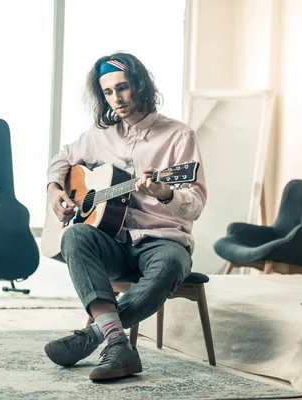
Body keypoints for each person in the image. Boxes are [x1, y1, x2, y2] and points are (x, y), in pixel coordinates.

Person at [43, 52, 207, 381]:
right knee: (74, 235)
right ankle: (118, 342)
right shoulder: (98, 136)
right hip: (114, 244)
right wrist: (53, 190)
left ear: (141, 86)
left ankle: (97, 337)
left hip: (163, 242)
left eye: (123, 88)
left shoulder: (178, 136)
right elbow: (62, 158)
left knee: (173, 263)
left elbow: (196, 202)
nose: (116, 99)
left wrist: (164, 193)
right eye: (107, 92)